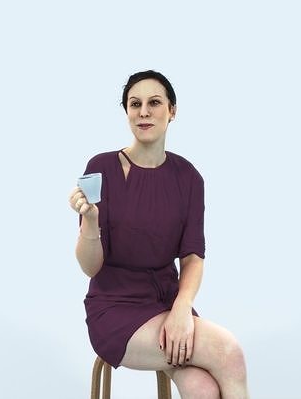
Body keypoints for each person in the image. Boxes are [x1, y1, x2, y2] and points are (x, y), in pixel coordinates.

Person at [69, 70, 249, 399]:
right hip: (114, 309)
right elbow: (90, 267)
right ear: (126, 112)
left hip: (169, 302)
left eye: (154, 103)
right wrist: (90, 221)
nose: (144, 112)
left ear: (172, 111)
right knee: (228, 352)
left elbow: (192, 257)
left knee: (202, 389)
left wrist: (182, 309)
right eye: (135, 104)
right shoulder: (102, 168)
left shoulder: (189, 178)